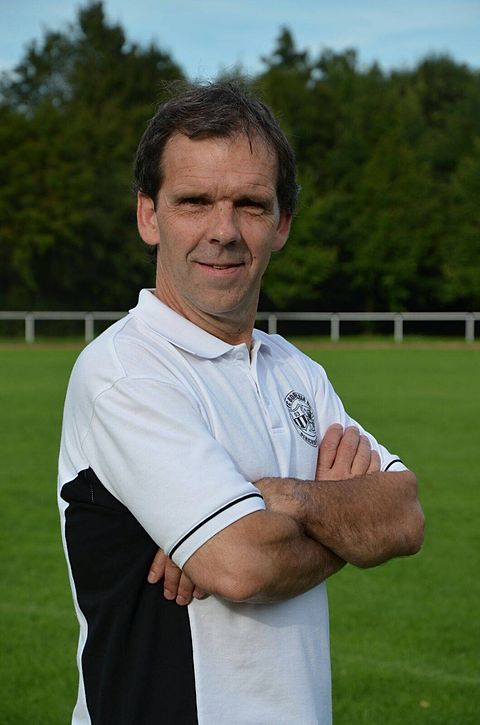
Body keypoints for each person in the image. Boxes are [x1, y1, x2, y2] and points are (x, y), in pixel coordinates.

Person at [58, 82, 424, 725]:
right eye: (194, 202)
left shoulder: (297, 371)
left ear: (281, 224)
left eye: (250, 204)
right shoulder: (126, 372)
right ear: (149, 216)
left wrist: (287, 500)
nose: (223, 231)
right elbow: (244, 565)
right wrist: (344, 525)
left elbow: (404, 515)